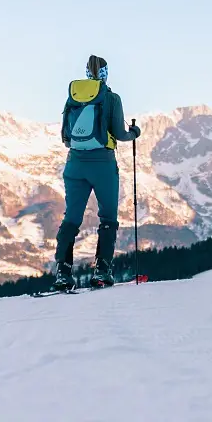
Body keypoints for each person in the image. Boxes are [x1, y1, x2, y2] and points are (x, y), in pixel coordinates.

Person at [53, 55, 141, 290]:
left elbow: (65, 136)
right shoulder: (111, 98)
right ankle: (102, 271)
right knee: (108, 217)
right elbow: (120, 135)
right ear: (105, 74)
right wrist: (135, 133)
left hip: (74, 164)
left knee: (71, 217)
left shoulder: (73, 96)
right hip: (102, 164)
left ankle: (62, 272)